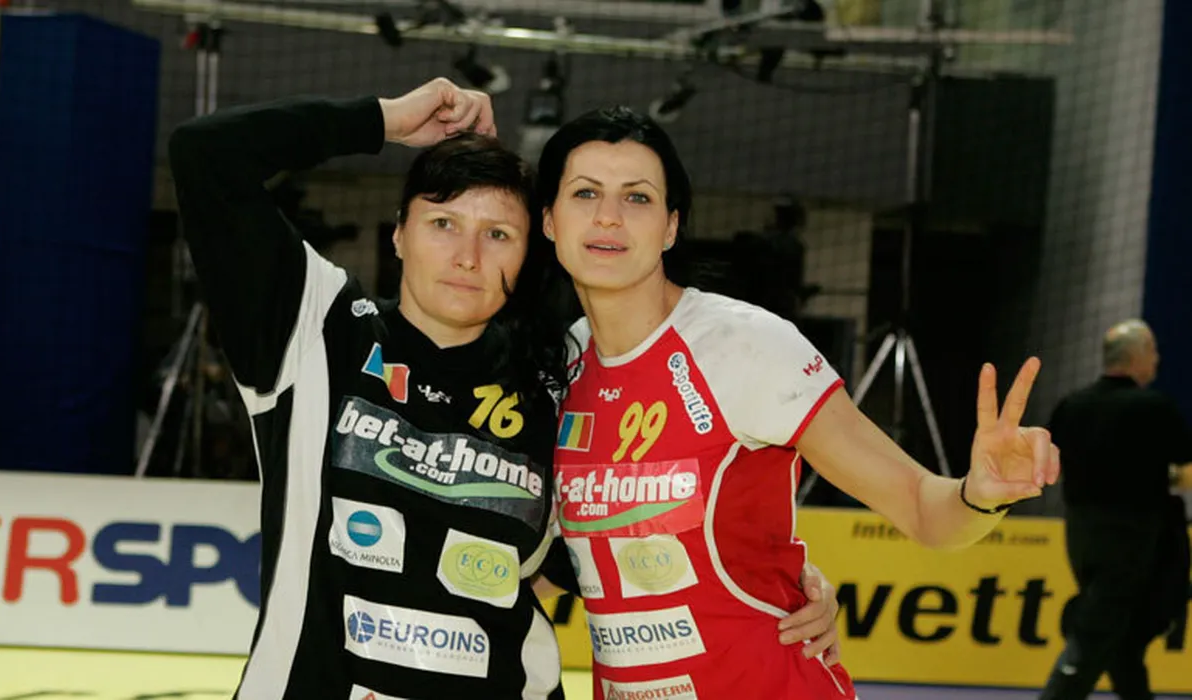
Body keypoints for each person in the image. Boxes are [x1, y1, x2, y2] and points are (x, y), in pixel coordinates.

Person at [168, 78, 840, 699]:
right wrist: (385, 120)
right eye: (443, 224)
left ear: (528, 252)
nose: (468, 257)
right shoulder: (315, 327)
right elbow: (205, 153)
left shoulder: (558, 380)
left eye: (498, 235)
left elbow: (623, 541)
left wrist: (788, 587)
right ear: (398, 233)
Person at [536, 106, 1061, 699]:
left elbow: (920, 504)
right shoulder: (559, 366)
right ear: (549, 220)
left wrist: (979, 494)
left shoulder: (743, 344)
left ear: (671, 227)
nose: (608, 216)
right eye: (585, 193)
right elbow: (549, 561)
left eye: (637, 198)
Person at [1038, 320, 1192, 700]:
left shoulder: (1072, 406)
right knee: (1099, 629)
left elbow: (1050, 467)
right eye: (1153, 350)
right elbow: (1186, 470)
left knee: (1122, 631)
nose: (1157, 358)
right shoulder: (1152, 408)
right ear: (1137, 355)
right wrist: (1164, 476)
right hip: (1133, 536)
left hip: (1080, 534)